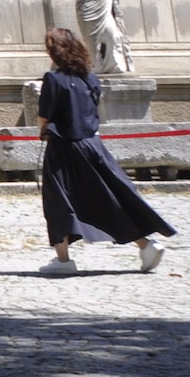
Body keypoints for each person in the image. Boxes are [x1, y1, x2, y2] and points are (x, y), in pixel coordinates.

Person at [36, 26, 175, 275]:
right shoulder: (90, 77)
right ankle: (145, 244)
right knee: (109, 196)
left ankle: (63, 260)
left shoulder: (53, 79)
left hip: (64, 148)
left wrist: (44, 129)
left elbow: (43, 118)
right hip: (92, 145)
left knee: (59, 200)